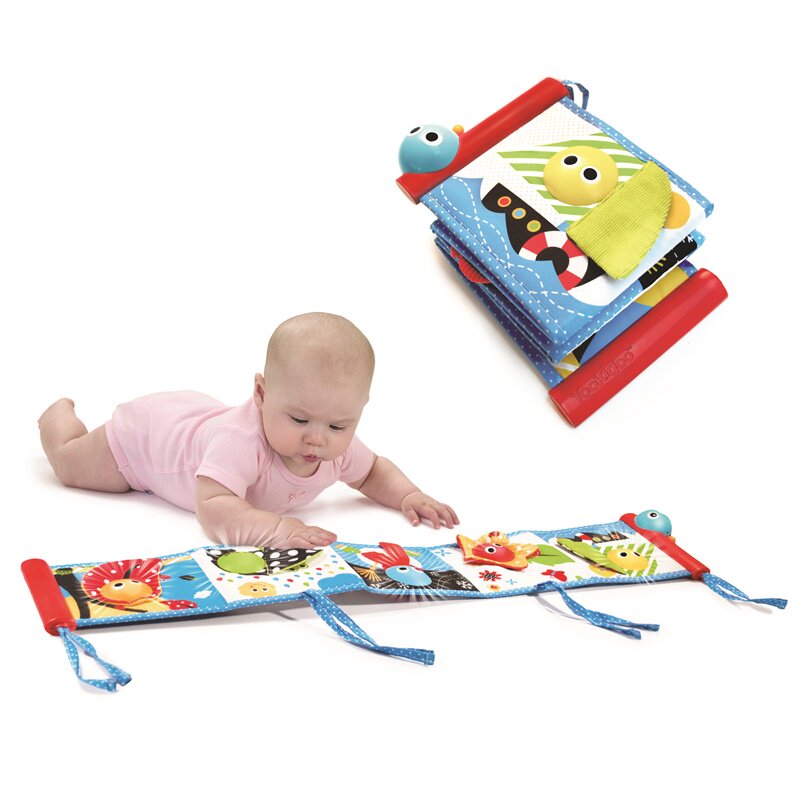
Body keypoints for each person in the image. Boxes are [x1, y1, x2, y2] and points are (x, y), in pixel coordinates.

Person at [38, 312, 458, 550]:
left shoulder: (336, 448)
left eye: (337, 425)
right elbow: (213, 506)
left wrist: (408, 495)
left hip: (196, 416)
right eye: (299, 420)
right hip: (145, 440)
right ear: (261, 393)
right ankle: (58, 418)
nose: (316, 438)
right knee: (71, 466)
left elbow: (371, 472)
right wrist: (275, 529)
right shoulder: (241, 442)